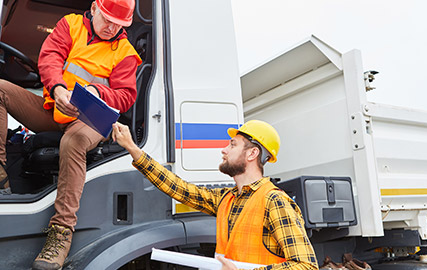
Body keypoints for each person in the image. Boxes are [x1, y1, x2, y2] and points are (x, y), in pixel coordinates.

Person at [0, 0, 141, 269]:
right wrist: (58, 89)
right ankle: (1, 175)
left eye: (119, 24)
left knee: (73, 141)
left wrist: (98, 93)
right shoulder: (71, 24)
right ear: (95, 8)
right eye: (108, 19)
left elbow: (125, 96)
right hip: (57, 108)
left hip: (90, 119)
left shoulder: (125, 52)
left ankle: (61, 234)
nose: (111, 27)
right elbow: (51, 56)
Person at [112, 120, 319, 270]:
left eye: (232, 144)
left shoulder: (275, 201)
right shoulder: (226, 199)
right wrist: (132, 147)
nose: (224, 150)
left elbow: (306, 266)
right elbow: (179, 188)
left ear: (252, 153)